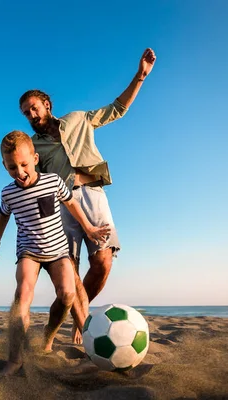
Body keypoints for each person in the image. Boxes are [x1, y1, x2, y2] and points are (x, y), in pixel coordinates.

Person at [18, 48, 157, 343]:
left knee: (104, 262)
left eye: (34, 108)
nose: (31, 115)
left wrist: (140, 77)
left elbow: (117, 109)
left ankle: (82, 315)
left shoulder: (79, 119)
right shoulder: (33, 146)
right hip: (59, 206)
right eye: (26, 113)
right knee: (71, 269)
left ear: (46, 104)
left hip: (92, 196)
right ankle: (84, 326)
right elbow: (30, 176)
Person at [0, 130, 110, 376]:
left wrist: (89, 228)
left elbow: (71, 203)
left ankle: (48, 335)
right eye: (11, 168)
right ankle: (15, 359)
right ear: (4, 165)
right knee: (23, 294)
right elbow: (3, 214)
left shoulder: (52, 181)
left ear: (35, 158)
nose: (19, 172)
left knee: (67, 294)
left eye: (23, 164)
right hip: (28, 251)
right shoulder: (8, 193)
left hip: (57, 251)